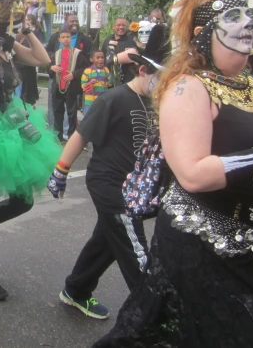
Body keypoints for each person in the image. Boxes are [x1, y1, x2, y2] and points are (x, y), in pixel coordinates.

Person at [95, 0, 253, 347]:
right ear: (202, 33)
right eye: (233, 17)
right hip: (207, 253)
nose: (248, 24)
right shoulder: (187, 87)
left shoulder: (250, 85)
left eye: (248, 14)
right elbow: (192, 172)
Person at [48, 25, 167, 321]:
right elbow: (81, 134)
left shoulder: (159, 104)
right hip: (109, 183)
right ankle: (156, 318)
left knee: (108, 240)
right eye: (160, 78)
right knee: (133, 245)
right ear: (142, 71)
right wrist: (60, 172)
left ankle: (76, 290)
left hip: (136, 187)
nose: (164, 84)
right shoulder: (114, 99)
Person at [0, 0, 60, 301]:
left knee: (24, 200)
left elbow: (43, 60)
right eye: (10, 17)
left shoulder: (5, 44)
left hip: (12, 128)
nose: (12, 22)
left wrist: (28, 30)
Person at [50, 29, 89, 142]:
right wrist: (52, 68)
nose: (66, 39)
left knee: (72, 113)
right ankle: (58, 137)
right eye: (63, 37)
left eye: (68, 37)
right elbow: (51, 70)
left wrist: (74, 74)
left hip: (71, 88)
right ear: (59, 39)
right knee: (58, 112)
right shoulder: (56, 54)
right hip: (58, 87)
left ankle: (72, 137)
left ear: (71, 39)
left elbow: (85, 68)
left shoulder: (77, 53)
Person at [101, 17, 138, 85]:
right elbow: (102, 57)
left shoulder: (130, 42)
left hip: (126, 81)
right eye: (118, 25)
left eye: (123, 25)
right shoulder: (108, 40)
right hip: (108, 80)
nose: (121, 27)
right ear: (113, 26)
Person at [81, 50, 114, 116]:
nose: (100, 60)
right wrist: (90, 83)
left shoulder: (106, 70)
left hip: (102, 101)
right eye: (98, 58)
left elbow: (110, 84)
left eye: (102, 57)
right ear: (91, 59)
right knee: (88, 119)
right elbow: (83, 85)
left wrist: (112, 77)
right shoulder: (87, 71)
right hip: (89, 102)